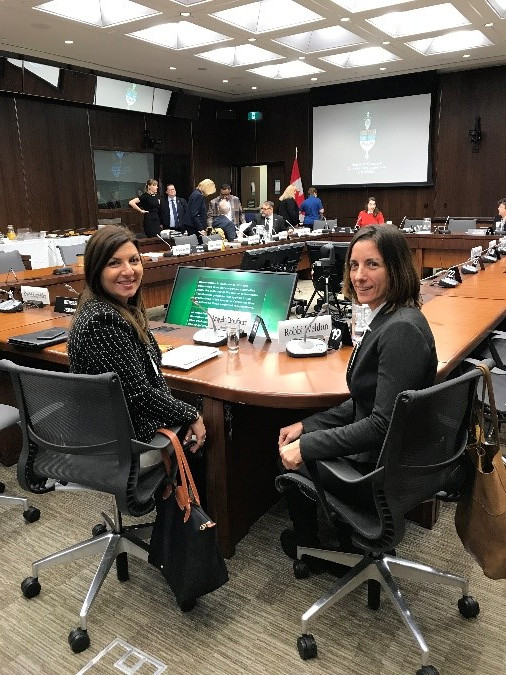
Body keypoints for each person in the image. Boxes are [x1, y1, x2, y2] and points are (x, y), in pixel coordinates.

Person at [278, 224, 437, 561]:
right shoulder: (392, 317)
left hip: (380, 469)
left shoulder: (400, 332)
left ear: (396, 268)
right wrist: (309, 425)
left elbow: (380, 425)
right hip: (391, 453)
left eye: (372, 265)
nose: (359, 276)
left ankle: (317, 552)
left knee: (288, 458)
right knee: (296, 438)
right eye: (353, 265)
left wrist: (306, 446)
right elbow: (365, 400)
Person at [68, 225, 206, 451]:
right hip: (127, 442)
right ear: (96, 270)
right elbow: (139, 395)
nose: (129, 271)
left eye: (134, 260)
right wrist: (191, 415)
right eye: (114, 263)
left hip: (126, 428)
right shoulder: (102, 322)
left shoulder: (120, 309)